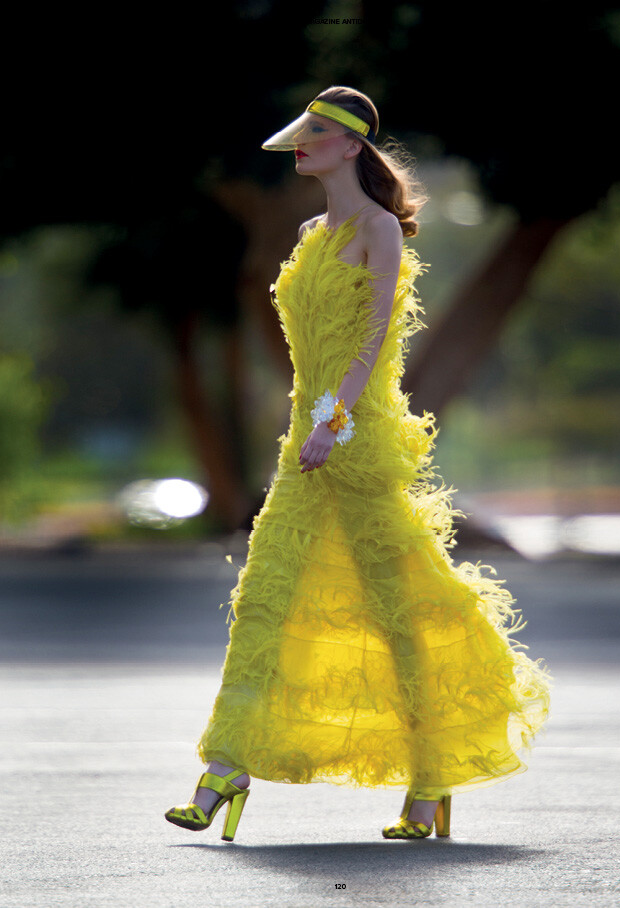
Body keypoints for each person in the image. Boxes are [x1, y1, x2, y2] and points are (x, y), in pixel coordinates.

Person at [164, 86, 551, 842]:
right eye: (300, 133)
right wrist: (308, 425)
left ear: (351, 146)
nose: (300, 146)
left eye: (314, 135)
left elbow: (373, 337)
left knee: (395, 606)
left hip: (354, 434)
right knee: (264, 598)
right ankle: (224, 768)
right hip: (303, 439)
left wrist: (333, 423)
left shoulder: (379, 229)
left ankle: (431, 779)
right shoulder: (311, 231)